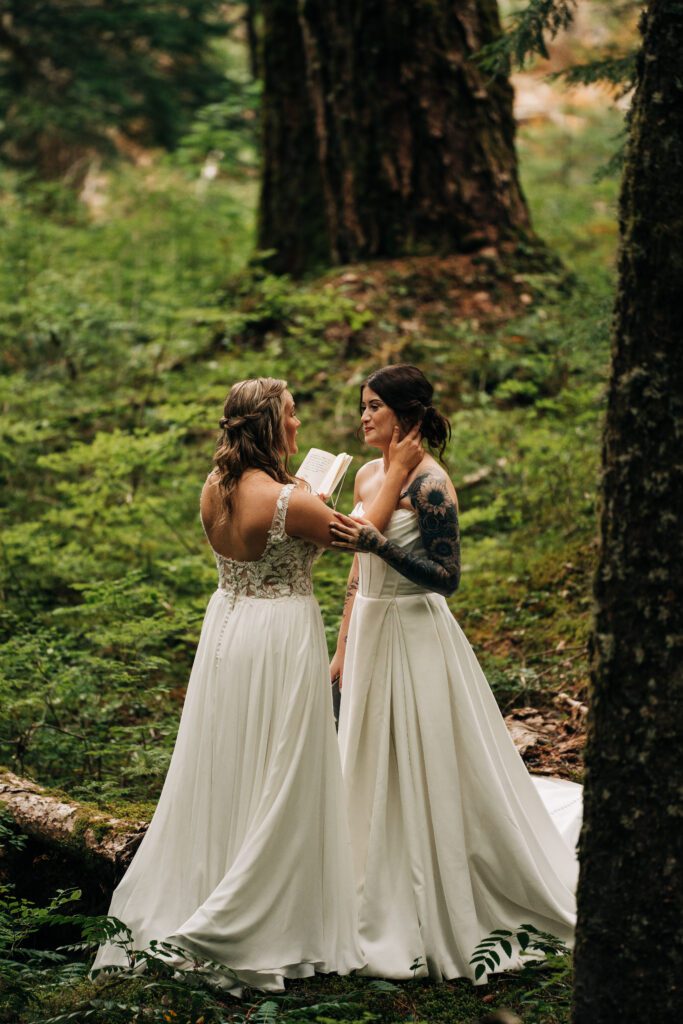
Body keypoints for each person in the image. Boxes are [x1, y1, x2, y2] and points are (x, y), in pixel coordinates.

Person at [92, 377, 419, 992]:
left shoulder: (214, 485)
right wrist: (396, 470)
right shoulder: (286, 500)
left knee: (231, 761)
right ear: (270, 424)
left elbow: (257, 538)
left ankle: (216, 879)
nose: (300, 426)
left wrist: (305, 497)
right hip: (280, 635)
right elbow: (361, 535)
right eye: (292, 416)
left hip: (228, 630)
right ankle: (261, 918)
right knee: (284, 762)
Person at [329, 364, 582, 984]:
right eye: (362, 407)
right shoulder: (368, 474)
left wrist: (379, 545)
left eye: (375, 408)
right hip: (369, 631)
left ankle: (434, 885)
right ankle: (363, 879)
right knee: (367, 758)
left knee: (424, 756)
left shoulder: (433, 484)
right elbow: (356, 577)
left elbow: (448, 578)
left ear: (406, 414)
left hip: (415, 633)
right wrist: (340, 646)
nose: (364, 417)